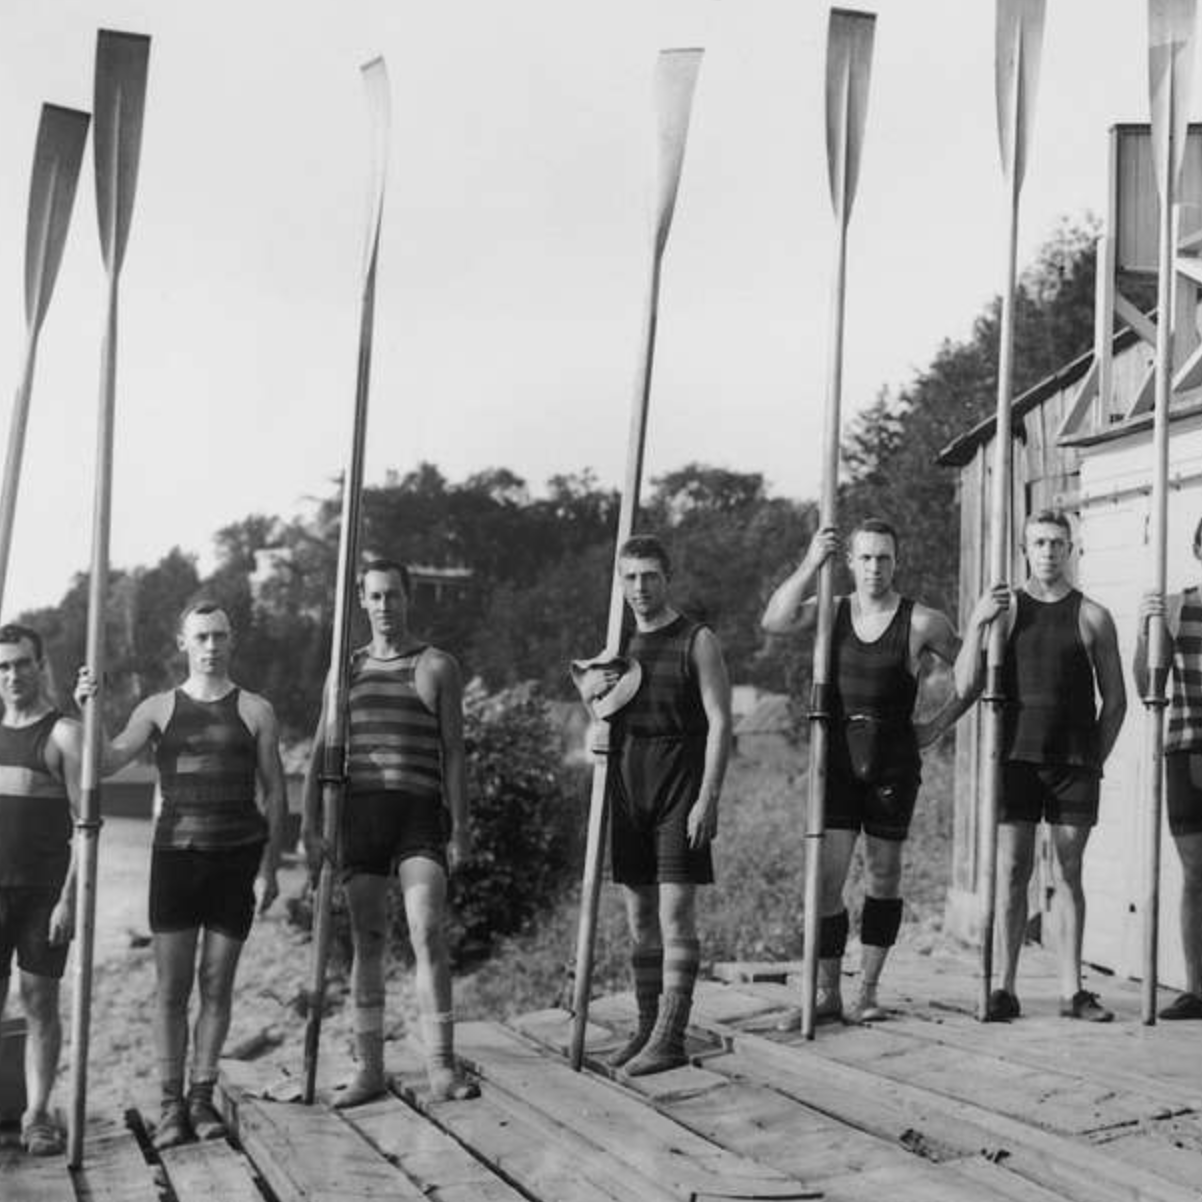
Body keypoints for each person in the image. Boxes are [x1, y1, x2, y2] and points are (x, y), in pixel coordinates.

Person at [76, 599, 285, 1147]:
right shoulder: (158, 708)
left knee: (217, 984)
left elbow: (275, 794)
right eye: (201, 637)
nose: (211, 646)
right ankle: (171, 1107)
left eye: (219, 635)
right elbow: (105, 762)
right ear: (183, 643)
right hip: (175, 858)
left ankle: (201, 1098)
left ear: (231, 640)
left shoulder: (256, 710)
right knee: (172, 988)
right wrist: (89, 710)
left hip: (236, 858)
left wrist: (269, 869)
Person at [761, 519, 967, 1025]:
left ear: (897, 562)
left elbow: (975, 671)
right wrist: (811, 562)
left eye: (884, 558)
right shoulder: (832, 610)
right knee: (825, 882)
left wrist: (936, 725)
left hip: (892, 761)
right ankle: (827, 993)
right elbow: (775, 620)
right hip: (836, 760)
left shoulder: (922, 621)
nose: (875, 567)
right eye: (867, 558)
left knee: (883, 874)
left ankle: (868, 991)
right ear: (851, 562)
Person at [302, 559, 478, 1104]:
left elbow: (454, 752)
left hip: (418, 814)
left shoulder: (436, 666)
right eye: (375, 596)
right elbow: (320, 751)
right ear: (362, 600)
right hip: (361, 816)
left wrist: (461, 827)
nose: (385, 606)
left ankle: (441, 1067)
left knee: (427, 931)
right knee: (369, 940)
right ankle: (370, 1069)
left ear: (408, 598)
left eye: (393, 595)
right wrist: (309, 825)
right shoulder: (345, 670)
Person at [958, 509, 1126, 1022]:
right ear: (1025, 550)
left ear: (1070, 549)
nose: (1048, 552)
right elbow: (965, 683)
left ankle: (1072, 991)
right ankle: (1004, 987)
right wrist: (976, 621)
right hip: (1016, 761)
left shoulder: (1092, 615)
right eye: (1039, 543)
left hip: (1073, 764)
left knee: (1069, 872)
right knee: (1013, 871)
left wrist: (1092, 760)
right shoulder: (1006, 611)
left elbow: (1116, 701)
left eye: (1057, 543)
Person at [575, 534, 732, 1076]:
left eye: (650, 576)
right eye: (631, 577)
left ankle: (671, 1036)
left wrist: (709, 796)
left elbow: (721, 723)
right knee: (640, 917)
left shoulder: (696, 640)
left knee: (674, 914)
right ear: (620, 583)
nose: (640, 587)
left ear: (667, 578)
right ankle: (646, 1027)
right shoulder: (616, 647)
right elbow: (602, 718)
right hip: (628, 786)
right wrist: (588, 694)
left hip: (679, 787)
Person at [0, 623, 81, 1155]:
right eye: (3, 667)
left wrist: (70, 899)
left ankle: (37, 1114)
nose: (13, 675)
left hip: (43, 895)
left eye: (22, 663)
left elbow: (87, 827)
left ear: (41, 665)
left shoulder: (62, 734)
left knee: (39, 1003)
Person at [1133, 515, 1202, 1019]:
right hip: (1188, 750)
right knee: (1197, 874)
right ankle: (1198, 990)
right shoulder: (1177, 609)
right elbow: (1147, 686)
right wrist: (1146, 630)